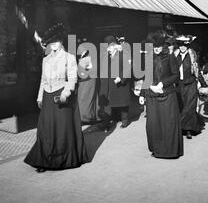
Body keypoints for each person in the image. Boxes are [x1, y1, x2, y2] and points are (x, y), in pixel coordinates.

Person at [24, 23, 88, 172]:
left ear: (61, 42)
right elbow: (43, 80)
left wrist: (65, 95)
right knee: (45, 129)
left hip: (62, 96)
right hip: (47, 96)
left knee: (61, 129)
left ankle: (63, 159)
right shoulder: (45, 59)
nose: (53, 45)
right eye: (50, 42)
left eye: (56, 42)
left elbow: (72, 79)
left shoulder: (69, 58)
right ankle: (44, 160)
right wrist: (40, 97)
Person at [139, 31, 183, 158]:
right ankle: (157, 149)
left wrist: (162, 84)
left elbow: (176, 76)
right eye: (154, 47)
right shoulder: (148, 58)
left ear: (163, 46)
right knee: (153, 124)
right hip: (151, 96)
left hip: (167, 95)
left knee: (168, 124)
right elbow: (146, 77)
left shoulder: (170, 57)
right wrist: (142, 94)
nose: (156, 49)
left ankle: (169, 151)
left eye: (158, 47)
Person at [174, 35, 206, 139]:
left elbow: (197, 70)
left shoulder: (192, 56)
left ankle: (187, 129)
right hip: (179, 85)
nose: (182, 47)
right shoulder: (175, 56)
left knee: (189, 107)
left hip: (191, 84)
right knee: (181, 106)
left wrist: (204, 84)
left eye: (184, 45)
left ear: (188, 46)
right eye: (180, 45)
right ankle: (185, 127)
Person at [98, 35, 132, 130]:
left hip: (118, 82)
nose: (108, 49)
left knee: (122, 103)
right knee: (107, 103)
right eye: (106, 47)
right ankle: (106, 123)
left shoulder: (123, 54)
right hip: (108, 83)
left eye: (109, 47)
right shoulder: (105, 56)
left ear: (114, 46)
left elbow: (128, 68)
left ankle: (124, 120)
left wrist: (121, 78)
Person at [77, 49, 97, 124]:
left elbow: (88, 71)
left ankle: (87, 118)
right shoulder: (85, 57)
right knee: (85, 100)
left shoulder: (88, 58)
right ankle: (86, 117)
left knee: (86, 100)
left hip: (87, 82)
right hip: (85, 82)